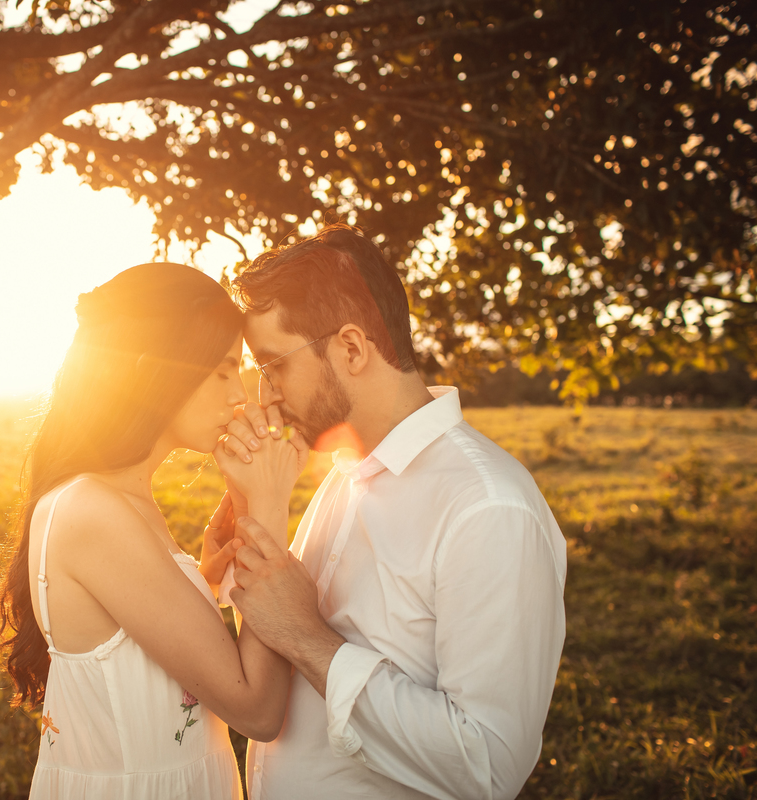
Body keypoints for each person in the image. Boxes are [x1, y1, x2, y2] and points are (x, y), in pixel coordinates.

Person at [212, 225, 568, 799]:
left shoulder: (488, 509)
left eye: (273, 366)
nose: (265, 396)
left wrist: (309, 637)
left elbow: (489, 766)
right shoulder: (344, 477)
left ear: (351, 348)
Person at [0, 263, 305, 799]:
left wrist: (207, 576)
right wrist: (269, 507)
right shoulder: (93, 510)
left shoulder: (116, 498)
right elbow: (259, 711)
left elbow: (131, 652)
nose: (239, 397)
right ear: (154, 371)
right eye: (223, 370)